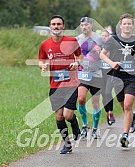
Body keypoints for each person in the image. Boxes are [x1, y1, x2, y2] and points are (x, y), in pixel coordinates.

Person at [38, 15, 83, 154]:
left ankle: (75, 127)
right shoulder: (45, 44)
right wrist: (42, 66)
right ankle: (67, 144)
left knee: (68, 115)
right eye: (53, 24)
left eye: (59, 24)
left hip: (71, 82)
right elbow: (41, 60)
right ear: (50, 26)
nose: (56, 26)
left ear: (63, 26)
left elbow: (80, 56)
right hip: (55, 84)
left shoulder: (71, 41)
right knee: (59, 116)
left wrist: (77, 62)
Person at [100, 13, 135, 147]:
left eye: (129, 23)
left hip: (132, 77)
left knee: (127, 106)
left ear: (132, 25)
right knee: (124, 106)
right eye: (124, 23)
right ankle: (132, 118)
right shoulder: (113, 39)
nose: (127, 26)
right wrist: (111, 63)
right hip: (117, 77)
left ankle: (125, 135)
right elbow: (102, 54)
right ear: (120, 25)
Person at [76, 17, 104, 139]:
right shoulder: (77, 39)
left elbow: (106, 53)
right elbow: (75, 55)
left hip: (96, 73)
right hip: (83, 73)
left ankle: (96, 128)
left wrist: (101, 52)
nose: (84, 27)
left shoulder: (99, 38)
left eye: (86, 25)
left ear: (91, 25)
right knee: (81, 99)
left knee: (95, 103)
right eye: (82, 25)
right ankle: (85, 125)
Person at [100, 30, 116, 125]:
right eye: (103, 36)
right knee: (103, 93)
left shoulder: (112, 46)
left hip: (110, 72)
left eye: (106, 36)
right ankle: (108, 113)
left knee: (108, 92)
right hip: (101, 73)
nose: (104, 37)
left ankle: (111, 112)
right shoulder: (97, 47)